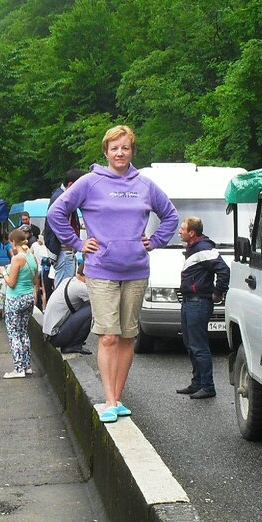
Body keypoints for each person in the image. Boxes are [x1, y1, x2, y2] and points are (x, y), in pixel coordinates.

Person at [46, 124, 178, 423]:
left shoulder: (145, 185)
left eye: (125, 147)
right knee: (107, 336)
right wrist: (78, 243)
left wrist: (155, 241)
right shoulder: (90, 182)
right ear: (106, 152)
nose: (120, 153)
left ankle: (118, 398)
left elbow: (170, 215)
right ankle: (108, 400)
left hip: (136, 270)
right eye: (114, 148)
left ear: (132, 151)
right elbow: (56, 213)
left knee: (127, 336)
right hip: (101, 269)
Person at [175, 217, 230, 400]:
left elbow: (223, 270)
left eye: (182, 229)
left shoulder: (203, 249)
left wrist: (218, 293)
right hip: (190, 301)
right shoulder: (194, 248)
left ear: (192, 233)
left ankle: (208, 386)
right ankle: (197, 382)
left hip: (198, 302)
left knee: (199, 346)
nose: (179, 232)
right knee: (190, 344)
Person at [2, 227, 40, 378]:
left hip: (15, 299)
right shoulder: (31, 256)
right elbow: (35, 279)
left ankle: (18, 369)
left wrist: (4, 273)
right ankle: (27, 365)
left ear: (13, 242)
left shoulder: (17, 258)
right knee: (23, 332)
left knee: (14, 334)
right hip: (28, 297)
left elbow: (11, 283)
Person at [42, 265, 92, 355]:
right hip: (56, 337)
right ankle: (73, 345)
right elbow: (100, 301)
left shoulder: (69, 280)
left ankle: (73, 341)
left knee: (86, 305)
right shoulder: (80, 287)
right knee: (91, 310)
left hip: (49, 334)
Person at [48, 168, 85, 287]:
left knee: (64, 288)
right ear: (71, 185)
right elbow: (53, 223)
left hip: (64, 252)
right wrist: (76, 243)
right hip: (63, 251)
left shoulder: (59, 195)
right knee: (64, 290)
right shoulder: (62, 198)